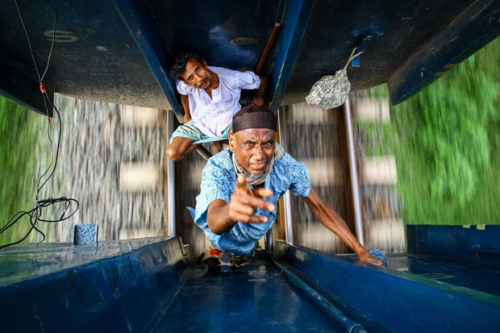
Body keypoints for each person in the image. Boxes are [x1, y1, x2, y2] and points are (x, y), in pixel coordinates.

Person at [191, 104, 383, 267]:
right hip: (222, 237)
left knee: (246, 246)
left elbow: (319, 207)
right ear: (232, 141)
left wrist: (360, 250)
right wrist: (231, 211)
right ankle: (218, 252)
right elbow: (215, 221)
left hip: (254, 232)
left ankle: (243, 253)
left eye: (267, 144)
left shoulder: (285, 166)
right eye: (249, 144)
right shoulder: (218, 168)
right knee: (225, 241)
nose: (259, 155)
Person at [167, 51, 266, 161]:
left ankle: (221, 143)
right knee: (173, 153)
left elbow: (261, 80)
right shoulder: (185, 85)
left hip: (229, 122)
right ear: (187, 83)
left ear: (204, 64)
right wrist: (186, 113)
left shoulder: (232, 78)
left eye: (198, 69)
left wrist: (259, 97)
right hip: (201, 124)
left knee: (244, 152)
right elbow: (183, 93)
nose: (199, 78)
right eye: (191, 78)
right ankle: (213, 140)